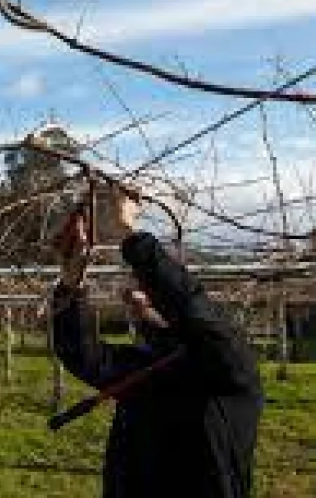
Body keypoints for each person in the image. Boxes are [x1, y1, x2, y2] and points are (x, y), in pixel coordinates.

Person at [51, 187, 263, 497]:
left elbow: (194, 312)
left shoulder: (229, 366)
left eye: (145, 291)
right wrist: (71, 282)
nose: (134, 297)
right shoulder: (149, 365)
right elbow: (82, 354)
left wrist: (129, 234)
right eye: (133, 291)